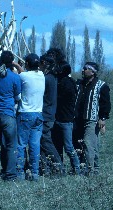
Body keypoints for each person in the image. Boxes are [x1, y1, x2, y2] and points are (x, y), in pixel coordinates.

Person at [0, 50, 22, 181]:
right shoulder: (15, 77)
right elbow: (18, 96)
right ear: (11, 62)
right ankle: (10, 174)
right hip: (7, 114)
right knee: (11, 145)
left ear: (1, 61)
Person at [73, 61, 111, 176]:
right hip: (78, 119)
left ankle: (90, 170)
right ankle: (89, 167)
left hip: (92, 119)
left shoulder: (102, 85)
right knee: (79, 144)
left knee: (89, 144)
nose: (83, 70)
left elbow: (106, 104)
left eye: (86, 69)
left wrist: (102, 118)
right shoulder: (79, 84)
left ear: (93, 72)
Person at [16, 53, 45, 181]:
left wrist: (15, 64)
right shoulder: (42, 75)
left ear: (27, 64)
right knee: (35, 144)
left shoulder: (23, 76)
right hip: (38, 114)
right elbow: (26, 74)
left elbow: (22, 74)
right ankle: (35, 173)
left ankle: (20, 173)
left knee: (21, 144)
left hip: (25, 113)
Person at [52, 60, 80, 175]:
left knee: (68, 147)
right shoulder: (68, 81)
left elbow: (58, 97)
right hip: (63, 118)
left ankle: (77, 168)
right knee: (60, 146)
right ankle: (61, 168)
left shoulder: (65, 83)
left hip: (65, 119)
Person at [39, 48, 64, 176]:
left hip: (46, 115)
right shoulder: (52, 77)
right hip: (49, 114)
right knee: (42, 142)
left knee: (46, 142)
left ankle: (59, 165)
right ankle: (45, 169)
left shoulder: (46, 78)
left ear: (45, 64)